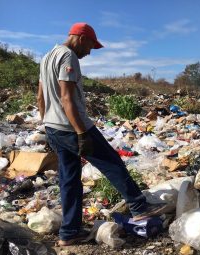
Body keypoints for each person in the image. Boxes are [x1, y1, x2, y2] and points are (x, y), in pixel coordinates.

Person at [37, 22, 165, 246]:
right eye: (89, 47)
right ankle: (139, 207)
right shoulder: (68, 56)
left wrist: (46, 124)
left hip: (53, 127)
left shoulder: (47, 56)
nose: (88, 52)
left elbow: (41, 97)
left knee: (69, 180)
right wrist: (81, 133)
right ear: (81, 38)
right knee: (112, 162)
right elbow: (66, 98)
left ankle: (69, 233)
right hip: (72, 127)